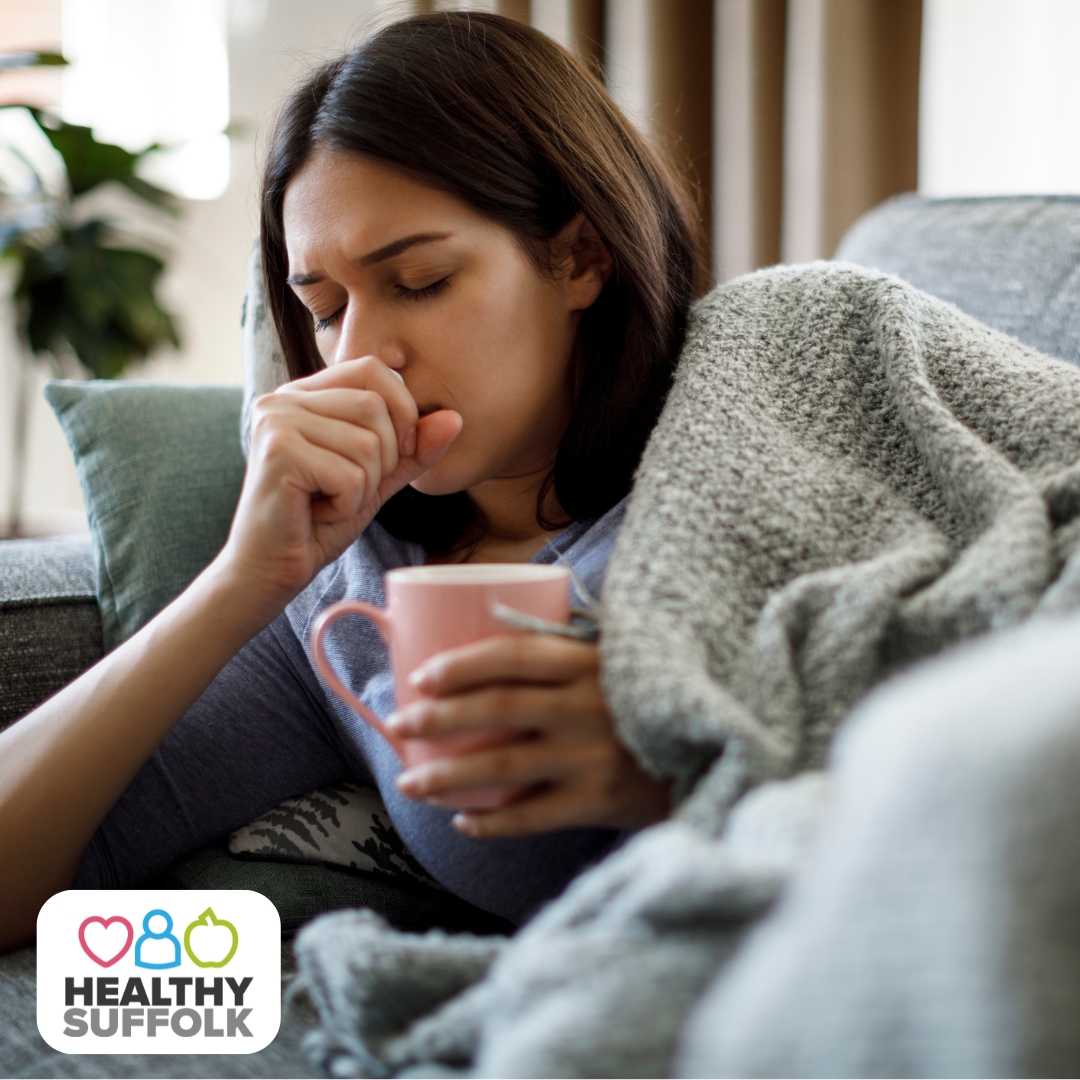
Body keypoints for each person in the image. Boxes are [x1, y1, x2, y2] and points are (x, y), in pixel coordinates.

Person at [0, 12, 690, 950]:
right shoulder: (346, 601)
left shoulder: (731, 461)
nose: (359, 354)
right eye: (323, 309)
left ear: (580, 257)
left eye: (419, 281)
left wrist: (672, 781)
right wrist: (244, 580)